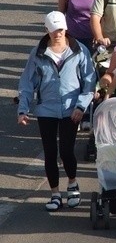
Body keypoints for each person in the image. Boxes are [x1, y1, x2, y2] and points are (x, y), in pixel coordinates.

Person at [18, 11, 95, 211]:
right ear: (46, 31)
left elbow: (89, 82)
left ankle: (72, 183)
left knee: (67, 151)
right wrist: (23, 109)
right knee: (50, 153)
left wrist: (81, 106)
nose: (57, 34)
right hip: (46, 110)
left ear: (66, 28)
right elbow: (27, 82)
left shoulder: (80, 51)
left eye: (60, 29)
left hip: (71, 110)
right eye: (53, 31)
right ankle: (54, 194)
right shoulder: (38, 53)